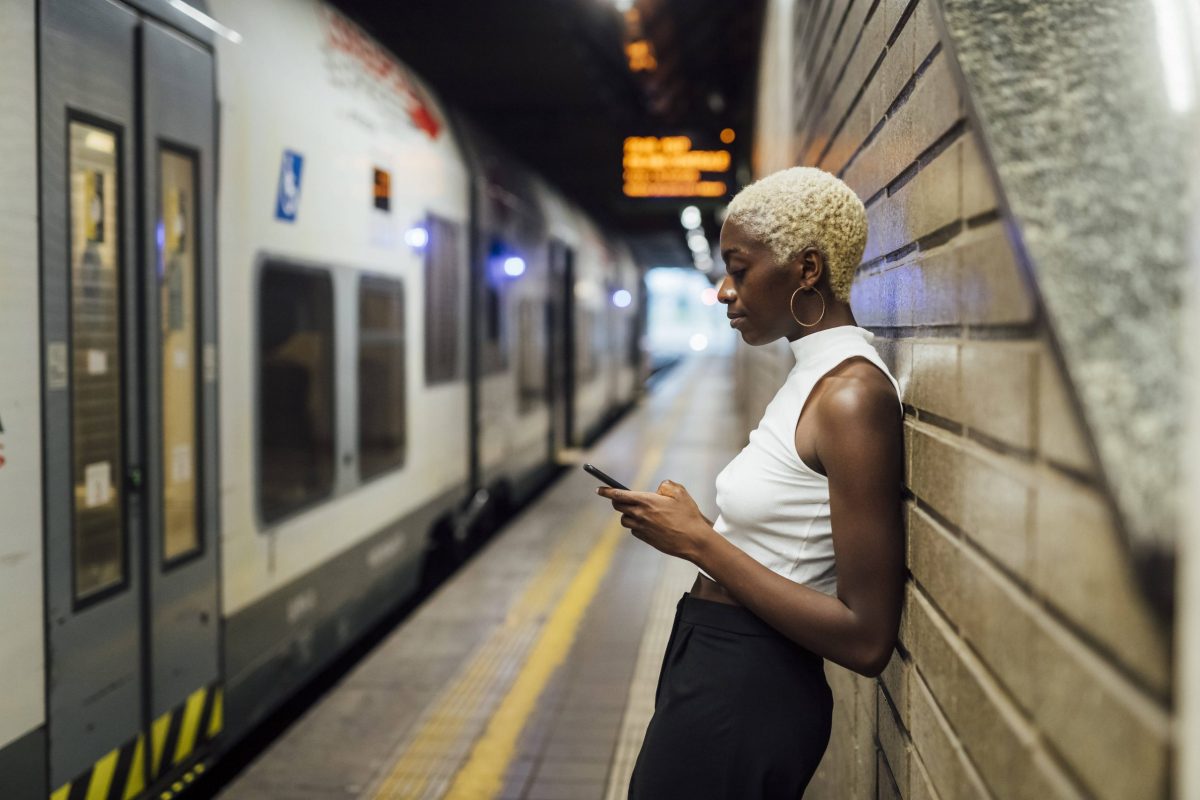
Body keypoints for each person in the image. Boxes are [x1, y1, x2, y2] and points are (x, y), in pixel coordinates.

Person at [599, 166, 905, 799]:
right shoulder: (810, 378)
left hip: (749, 688)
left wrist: (698, 543)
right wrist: (702, 529)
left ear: (808, 269)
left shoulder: (850, 396)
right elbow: (787, 548)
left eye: (739, 270)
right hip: (717, 664)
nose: (723, 291)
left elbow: (867, 636)